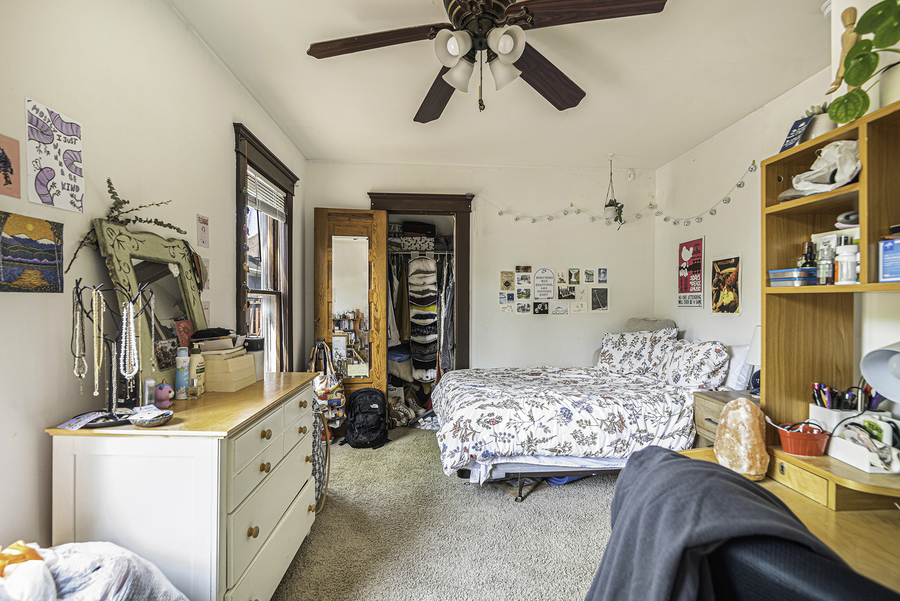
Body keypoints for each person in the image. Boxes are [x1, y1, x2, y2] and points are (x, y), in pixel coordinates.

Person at [827, 7, 860, 95]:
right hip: (849, 63)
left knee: (853, 87)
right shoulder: (845, 34)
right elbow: (844, 53)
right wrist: (839, 78)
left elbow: (847, 51)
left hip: (854, 63)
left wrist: (839, 77)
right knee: (852, 88)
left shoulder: (853, 31)